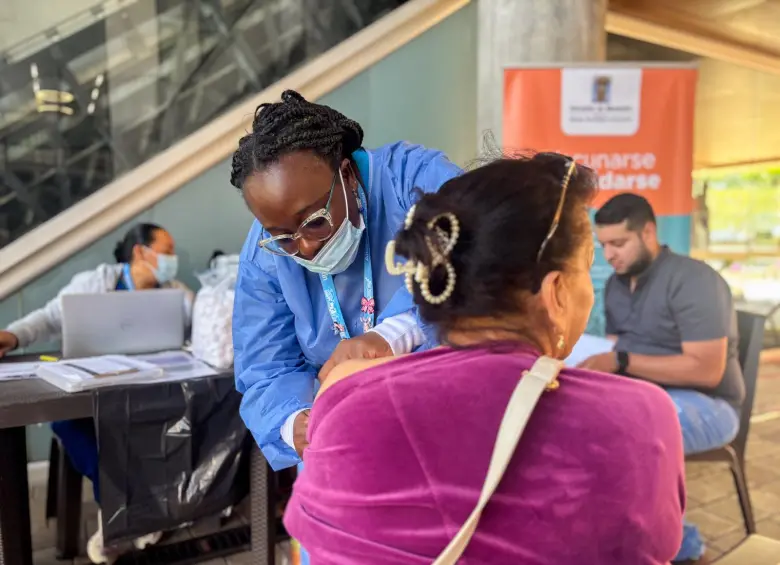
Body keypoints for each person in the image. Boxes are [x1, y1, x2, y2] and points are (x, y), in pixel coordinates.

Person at [284, 154, 686, 564]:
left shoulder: (344, 403)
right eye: (586, 267)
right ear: (557, 292)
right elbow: (651, 549)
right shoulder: (642, 416)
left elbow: (314, 549)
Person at [230, 90, 462, 472]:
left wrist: (394, 333)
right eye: (283, 236)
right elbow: (264, 368)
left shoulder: (414, 182)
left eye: (315, 221)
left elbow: (475, 265)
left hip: (442, 431)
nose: (303, 247)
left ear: (348, 175)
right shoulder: (265, 253)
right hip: (345, 453)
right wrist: (295, 424)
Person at [0, 222, 193, 564]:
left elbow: (203, 325)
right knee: (69, 423)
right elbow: (47, 318)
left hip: (148, 394)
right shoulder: (96, 282)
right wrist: (12, 337)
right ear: (140, 251)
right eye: (166, 251)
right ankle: (126, 511)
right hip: (91, 390)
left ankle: (133, 514)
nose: (172, 259)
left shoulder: (176, 291)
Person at [580, 193, 744, 564]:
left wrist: (620, 360)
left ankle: (683, 547)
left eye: (618, 243)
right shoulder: (618, 285)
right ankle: (613, 539)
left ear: (649, 232)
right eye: (603, 244)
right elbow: (622, 346)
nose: (609, 255)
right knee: (581, 425)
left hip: (712, 404)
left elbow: (707, 369)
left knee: (630, 437)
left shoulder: (695, 280)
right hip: (651, 393)